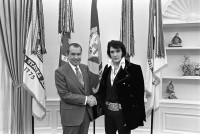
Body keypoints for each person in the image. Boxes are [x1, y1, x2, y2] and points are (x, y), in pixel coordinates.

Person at [94, 40, 146, 134]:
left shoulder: (134, 69)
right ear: (109, 54)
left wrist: (138, 115)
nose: (115, 54)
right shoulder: (107, 68)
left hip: (124, 113)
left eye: (117, 51)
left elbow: (139, 94)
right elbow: (103, 90)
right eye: (112, 52)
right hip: (108, 112)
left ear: (122, 52)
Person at [55, 43, 97, 134]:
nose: (76, 57)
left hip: (86, 115)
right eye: (73, 54)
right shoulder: (60, 72)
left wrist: (93, 97)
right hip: (70, 117)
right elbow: (64, 95)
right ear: (67, 55)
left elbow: (87, 89)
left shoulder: (85, 68)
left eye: (78, 54)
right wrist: (86, 99)